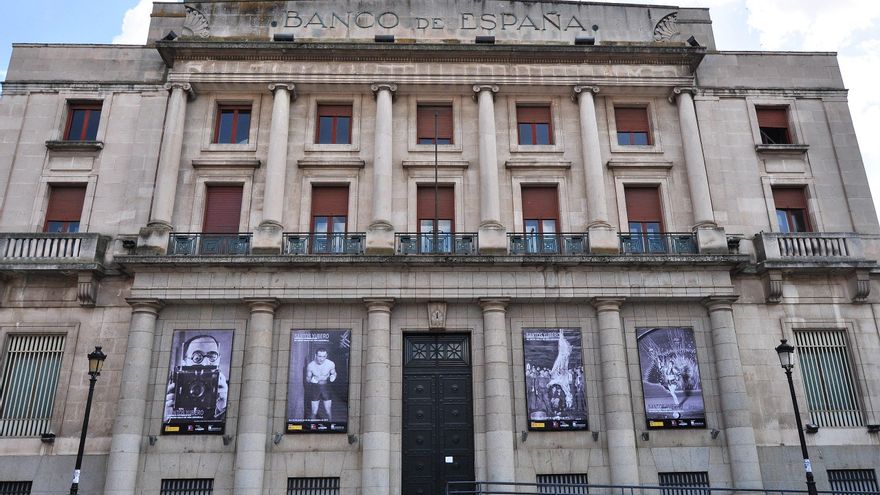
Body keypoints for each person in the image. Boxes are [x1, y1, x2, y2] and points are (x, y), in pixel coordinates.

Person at [164, 334, 229, 421]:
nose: (206, 363)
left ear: (219, 360)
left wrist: (223, 408)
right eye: (197, 357)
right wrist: (165, 416)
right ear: (184, 362)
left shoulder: (228, 391)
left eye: (212, 357)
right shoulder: (170, 389)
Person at [306, 348, 337, 421]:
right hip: (315, 388)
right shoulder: (311, 365)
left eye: (324, 356)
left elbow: (334, 373)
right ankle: (311, 428)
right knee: (314, 412)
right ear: (315, 355)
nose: (322, 359)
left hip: (326, 388)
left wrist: (333, 376)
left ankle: (330, 427)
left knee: (328, 412)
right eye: (320, 356)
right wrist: (311, 380)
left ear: (326, 356)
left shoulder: (330, 364)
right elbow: (307, 378)